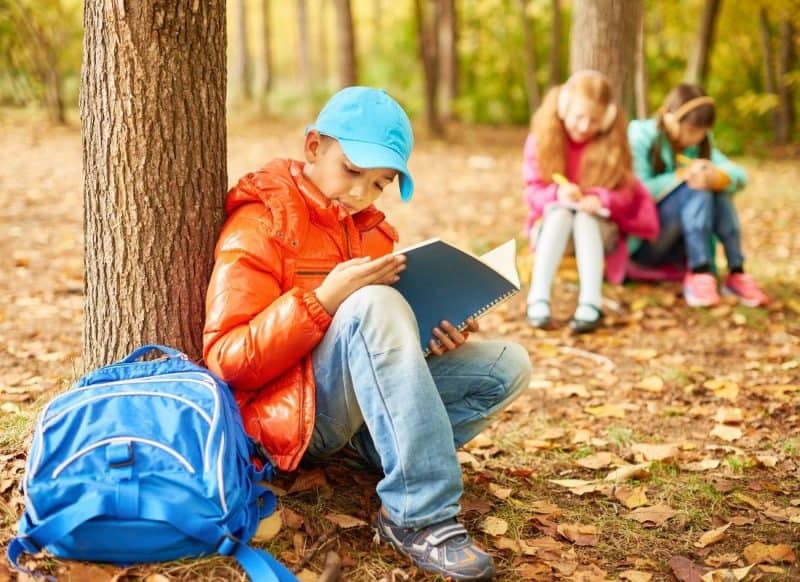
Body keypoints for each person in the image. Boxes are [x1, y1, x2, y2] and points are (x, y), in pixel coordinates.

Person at [203, 86, 532, 581]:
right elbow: (227, 357)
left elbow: (377, 344)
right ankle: (418, 516)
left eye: (379, 183)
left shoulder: (375, 233)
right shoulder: (262, 220)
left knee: (505, 364)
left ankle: (382, 452)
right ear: (314, 146)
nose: (360, 193)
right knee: (372, 303)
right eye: (352, 171)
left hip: (355, 416)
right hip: (290, 415)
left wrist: (431, 335)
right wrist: (321, 302)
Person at [522, 70, 659, 333]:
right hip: (552, 231)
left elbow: (627, 194)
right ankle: (538, 297)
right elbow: (532, 191)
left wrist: (600, 198)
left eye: (594, 120)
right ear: (563, 108)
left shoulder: (615, 145)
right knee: (561, 212)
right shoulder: (540, 140)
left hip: (598, 234)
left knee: (585, 217)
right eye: (579, 117)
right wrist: (556, 195)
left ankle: (590, 303)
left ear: (607, 119)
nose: (584, 127)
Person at [627, 83, 768, 307]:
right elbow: (638, 190)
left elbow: (739, 175)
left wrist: (718, 178)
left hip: (681, 246)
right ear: (671, 120)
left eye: (703, 132)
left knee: (713, 186)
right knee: (696, 186)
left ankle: (736, 271)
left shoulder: (701, 143)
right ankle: (700, 271)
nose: (697, 138)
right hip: (647, 244)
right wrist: (682, 175)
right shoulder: (641, 136)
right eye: (693, 131)